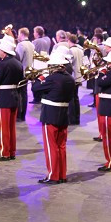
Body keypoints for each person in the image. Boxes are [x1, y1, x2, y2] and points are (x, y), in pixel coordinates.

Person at [31, 54, 76, 184]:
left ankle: (53, 175)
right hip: (63, 114)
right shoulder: (70, 79)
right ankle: (62, 174)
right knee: (61, 146)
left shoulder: (51, 79)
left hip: (50, 114)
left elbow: (35, 88)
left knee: (51, 146)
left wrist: (41, 76)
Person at [0, 37, 23, 161]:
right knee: (11, 126)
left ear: (4, 52)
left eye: (0, 50)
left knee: (4, 127)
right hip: (14, 95)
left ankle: (5, 152)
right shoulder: (18, 63)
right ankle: (11, 150)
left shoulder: (2, 64)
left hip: (3, 96)